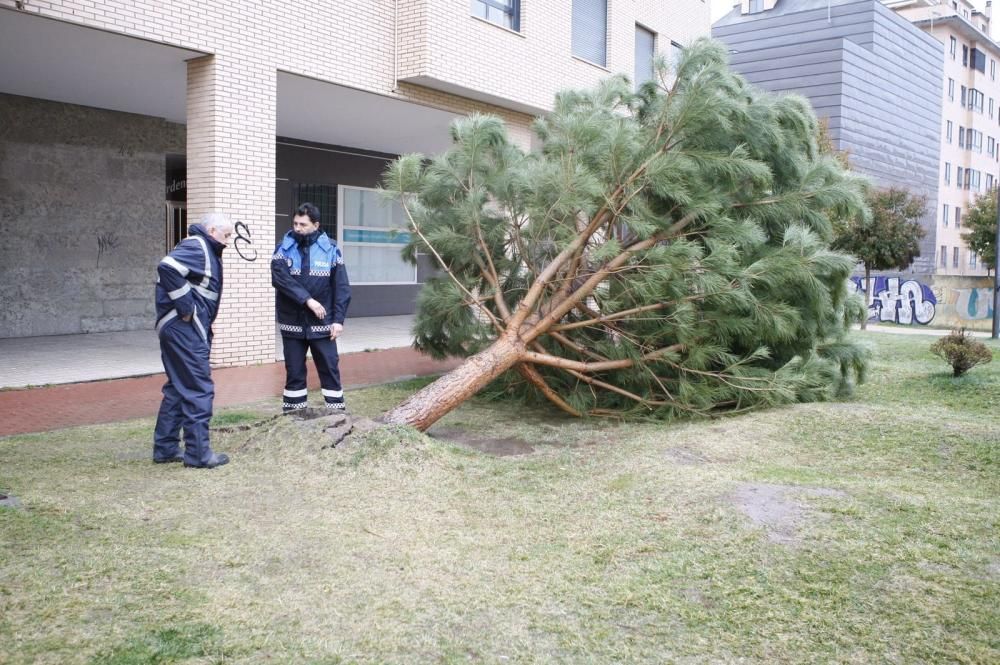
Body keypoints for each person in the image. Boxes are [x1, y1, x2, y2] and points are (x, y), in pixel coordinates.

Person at [152, 213, 233, 469]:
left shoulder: (202, 247)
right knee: (199, 388)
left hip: (178, 329)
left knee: (178, 387)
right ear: (212, 230)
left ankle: (165, 448)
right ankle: (198, 454)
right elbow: (166, 267)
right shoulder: (197, 245)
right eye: (226, 235)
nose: (229, 241)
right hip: (182, 329)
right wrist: (186, 306)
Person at [272, 202, 351, 411]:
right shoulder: (283, 248)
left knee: (330, 370)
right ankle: (293, 415)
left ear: (316, 225)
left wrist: (338, 320)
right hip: (292, 323)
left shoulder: (331, 250)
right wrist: (308, 300)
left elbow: (341, 287)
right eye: (295, 223)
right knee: (294, 372)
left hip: (322, 324)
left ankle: (337, 416)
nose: (297, 228)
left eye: (303, 224)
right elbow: (280, 279)